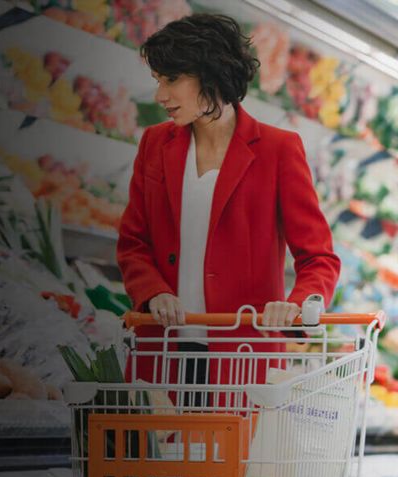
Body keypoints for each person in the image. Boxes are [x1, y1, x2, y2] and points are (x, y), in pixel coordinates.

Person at [116, 14, 340, 398]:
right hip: (161, 352)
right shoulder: (155, 144)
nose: (160, 96)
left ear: (211, 75)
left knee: (229, 458)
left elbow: (318, 258)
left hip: (244, 359)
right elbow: (133, 242)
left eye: (171, 80)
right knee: (154, 456)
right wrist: (153, 292)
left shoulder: (278, 150)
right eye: (158, 81)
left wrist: (298, 304)